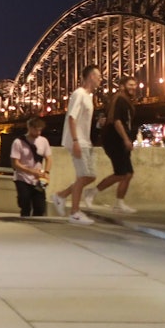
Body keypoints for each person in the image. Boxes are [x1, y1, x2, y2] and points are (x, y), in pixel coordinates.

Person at [52, 65, 101, 225]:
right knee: (83, 176)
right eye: (98, 76)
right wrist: (75, 141)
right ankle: (74, 213)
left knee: (90, 176)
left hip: (85, 141)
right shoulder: (78, 94)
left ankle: (61, 196)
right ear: (90, 77)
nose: (100, 79)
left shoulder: (89, 96)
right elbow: (72, 118)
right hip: (78, 141)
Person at [82, 76, 138, 213]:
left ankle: (119, 203)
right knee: (121, 174)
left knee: (128, 173)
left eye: (135, 85)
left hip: (121, 141)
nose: (133, 87)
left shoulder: (127, 101)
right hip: (114, 140)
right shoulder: (119, 99)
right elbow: (117, 121)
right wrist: (126, 139)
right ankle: (91, 193)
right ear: (122, 86)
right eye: (130, 84)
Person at [10, 116, 50, 217]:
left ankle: (38, 225)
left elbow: (49, 158)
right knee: (25, 204)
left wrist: (46, 172)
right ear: (29, 128)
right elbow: (15, 163)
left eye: (40, 130)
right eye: (36, 130)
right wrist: (31, 172)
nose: (38, 133)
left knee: (40, 206)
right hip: (22, 178)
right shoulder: (18, 142)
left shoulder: (43, 141)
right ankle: (25, 222)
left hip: (39, 178)